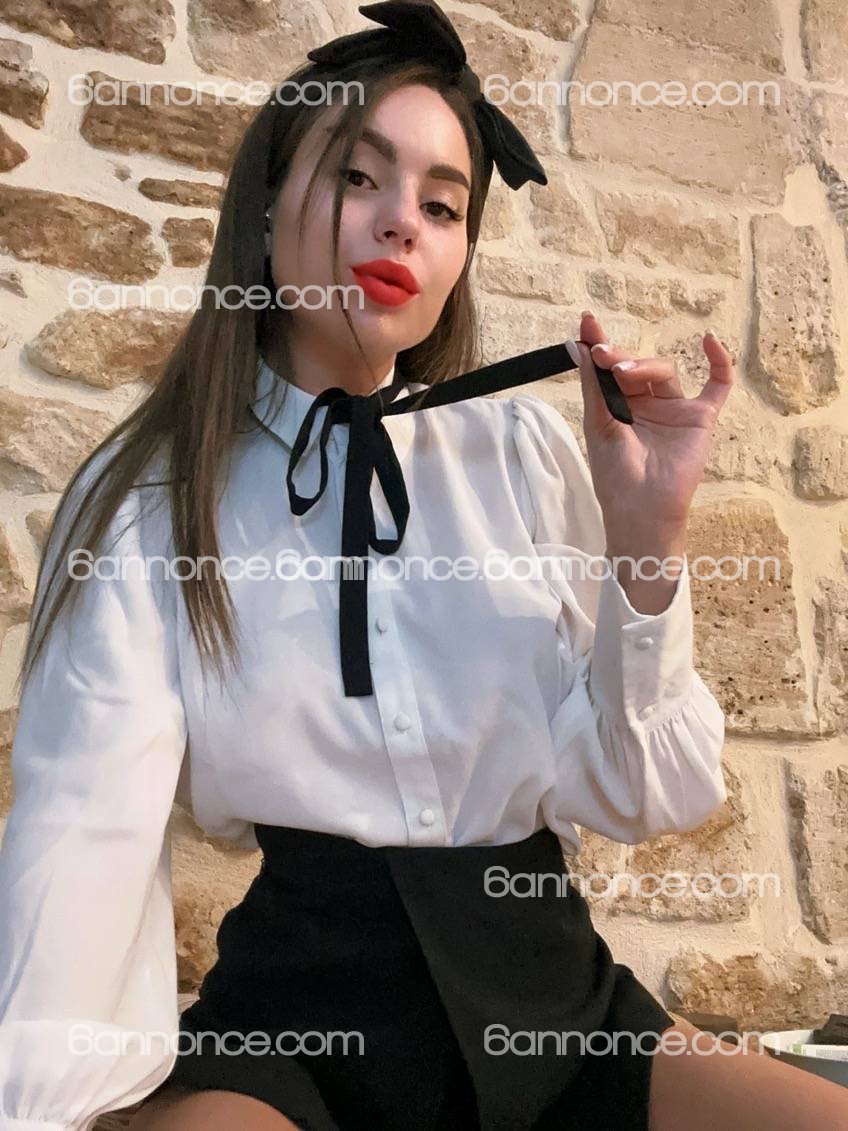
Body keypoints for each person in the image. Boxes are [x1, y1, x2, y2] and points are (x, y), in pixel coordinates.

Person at [2, 2, 847, 1128]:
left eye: (443, 205)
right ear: (265, 205)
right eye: (358, 177)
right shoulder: (154, 497)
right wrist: (45, 1100)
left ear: (460, 255)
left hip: (557, 1009)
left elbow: (644, 793)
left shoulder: (524, 454)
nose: (402, 220)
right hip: (298, 1032)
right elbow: (82, 832)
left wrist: (647, 541)